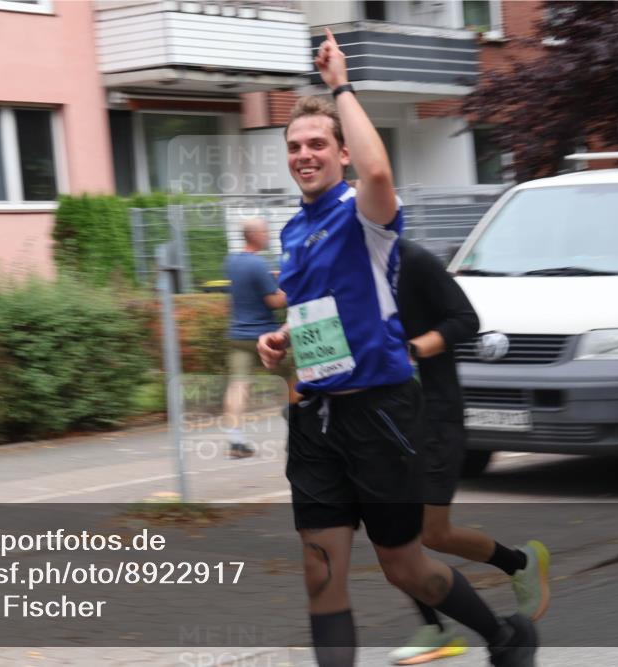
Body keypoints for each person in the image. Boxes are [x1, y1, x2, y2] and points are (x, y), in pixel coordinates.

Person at [256, 28, 538, 667]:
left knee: (403, 565)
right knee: (321, 571)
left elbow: (379, 169)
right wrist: (282, 343)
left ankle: (503, 637)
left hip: (380, 414)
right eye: (294, 146)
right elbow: (316, 315)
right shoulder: (293, 231)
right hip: (316, 419)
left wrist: (341, 86)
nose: (304, 155)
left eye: (317, 144)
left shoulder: (365, 214)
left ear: (341, 153)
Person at [390, 237, 550, 665]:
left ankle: (519, 564)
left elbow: (466, 319)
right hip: (385, 418)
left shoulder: (413, 260)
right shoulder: (350, 270)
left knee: (433, 533)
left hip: (435, 414)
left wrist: (414, 349)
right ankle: (436, 627)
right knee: (392, 531)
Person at [223, 217, 287, 459]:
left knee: (238, 386)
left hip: (238, 335)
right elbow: (275, 301)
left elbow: (249, 285)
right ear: (255, 235)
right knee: (294, 380)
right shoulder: (258, 264)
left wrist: (272, 277)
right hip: (266, 338)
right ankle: (301, 433)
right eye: (265, 232)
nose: (268, 236)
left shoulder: (231, 261)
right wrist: (294, 287)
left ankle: (236, 441)